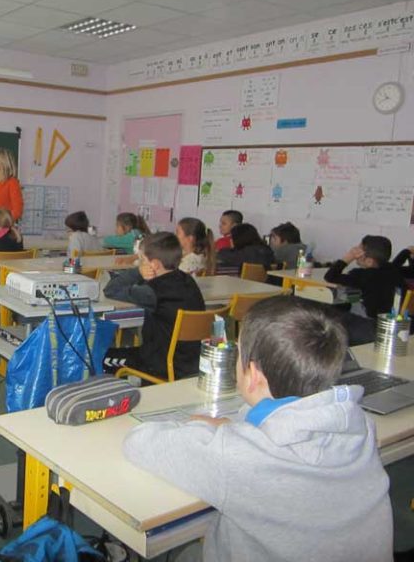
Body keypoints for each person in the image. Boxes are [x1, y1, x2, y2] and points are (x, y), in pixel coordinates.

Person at [122, 296, 393, 562]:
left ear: (252, 375)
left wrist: (212, 430)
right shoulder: (360, 426)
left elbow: (139, 442)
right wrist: (239, 426)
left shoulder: (235, 454)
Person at [102, 232, 205, 381]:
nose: (140, 264)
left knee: (98, 357)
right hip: (190, 363)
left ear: (154, 264)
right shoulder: (188, 280)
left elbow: (111, 289)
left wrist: (137, 272)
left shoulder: (152, 292)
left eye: (142, 260)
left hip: (159, 365)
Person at [325, 235, 406, 345]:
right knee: (346, 301)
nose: (355, 253)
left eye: (358, 252)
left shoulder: (362, 275)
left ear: (369, 261)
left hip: (370, 328)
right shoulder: (394, 270)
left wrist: (348, 257)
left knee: (330, 312)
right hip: (394, 325)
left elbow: (330, 276)